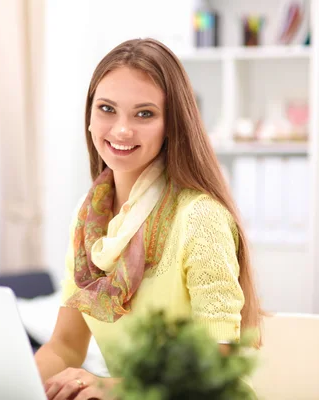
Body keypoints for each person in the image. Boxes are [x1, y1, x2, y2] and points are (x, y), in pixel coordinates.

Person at [34, 38, 262, 400]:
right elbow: (65, 346)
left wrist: (108, 386)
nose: (122, 130)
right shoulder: (89, 218)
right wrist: (12, 381)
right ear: (89, 115)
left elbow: (214, 364)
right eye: (107, 109)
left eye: (144, 114)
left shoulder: (200, 218)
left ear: (172, 124)